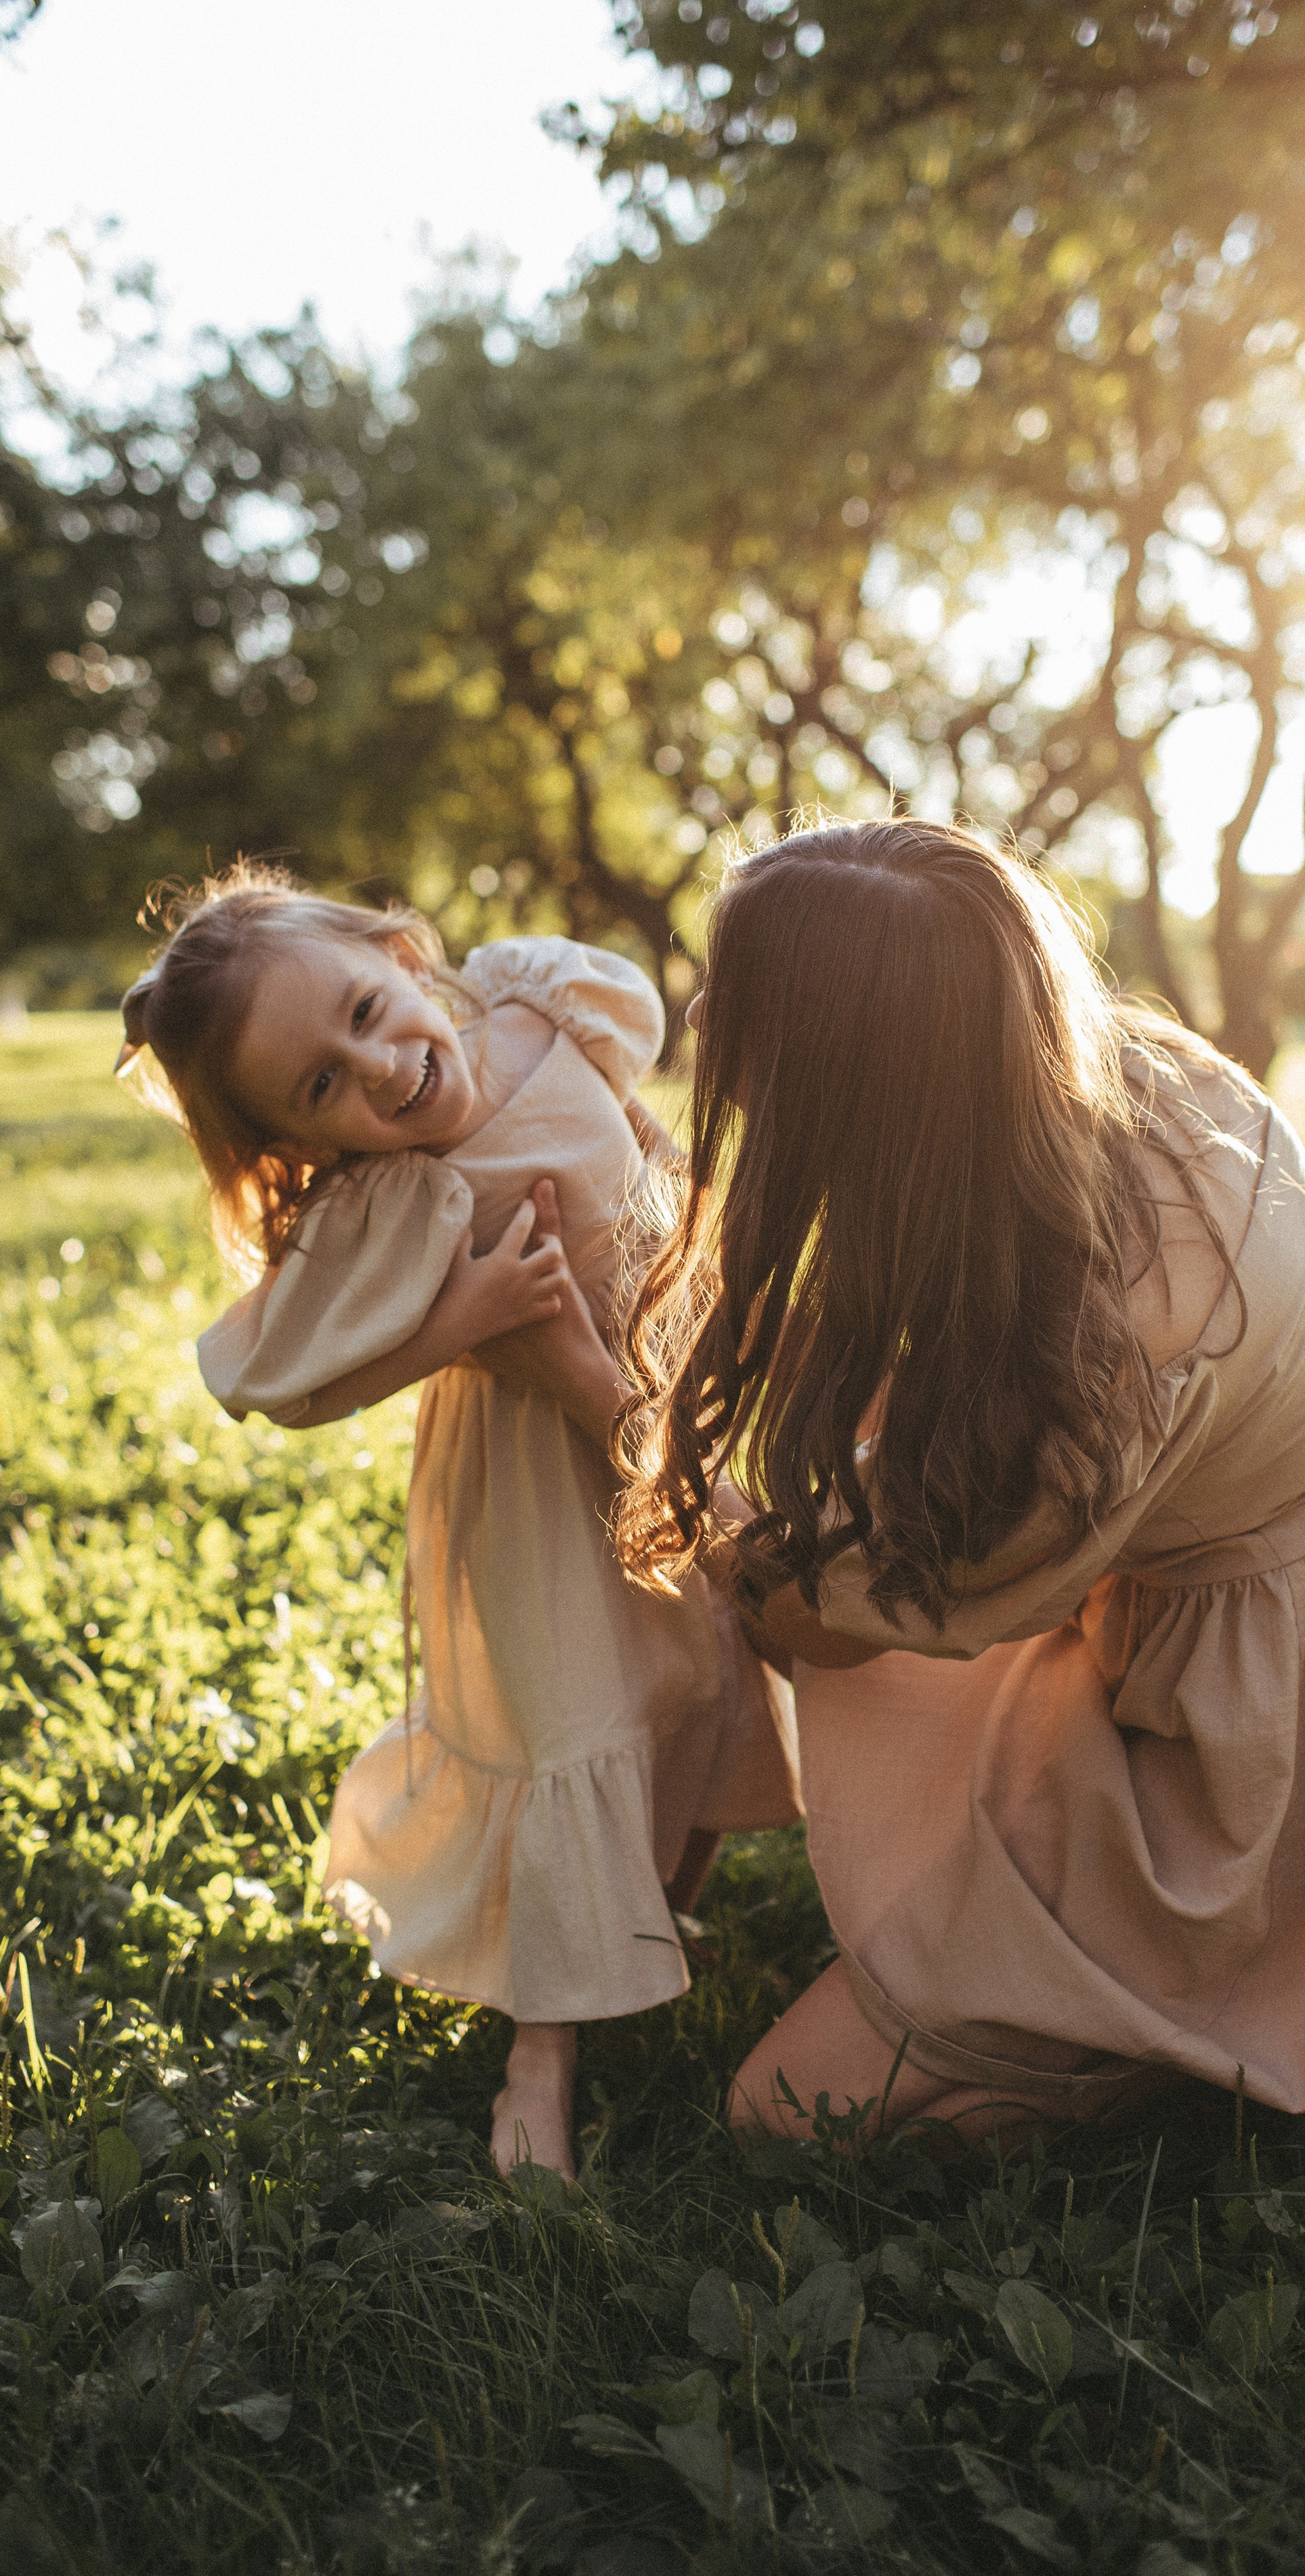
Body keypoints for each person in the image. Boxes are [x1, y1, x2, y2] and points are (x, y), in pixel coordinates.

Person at [605, 816, 1305, 2148]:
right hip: (1279, 1606)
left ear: (856, 1060)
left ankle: (1186, 2019)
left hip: (1298, 1731)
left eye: (743, 995)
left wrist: (584, 1385)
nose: (700, 1011)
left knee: (784, 2111)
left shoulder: (1115, 1347)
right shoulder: (1100, 1085)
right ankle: (1143, 1995)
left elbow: (813, 1609)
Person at [115, 864, 800, 2180]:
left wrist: (704, 1242)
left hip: (666, 1393)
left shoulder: (538, 1013)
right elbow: (284, 1386)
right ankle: (543, 2042)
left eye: (369, 1011)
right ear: (299, 1144)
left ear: (401, 955)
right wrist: (459, 1324)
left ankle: (661, 1911)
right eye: (321, 1084)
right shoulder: (396, 1192)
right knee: (582, 1711)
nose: (378, 1067)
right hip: (542, 1485)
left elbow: (637, 1137)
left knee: (712, 1661)